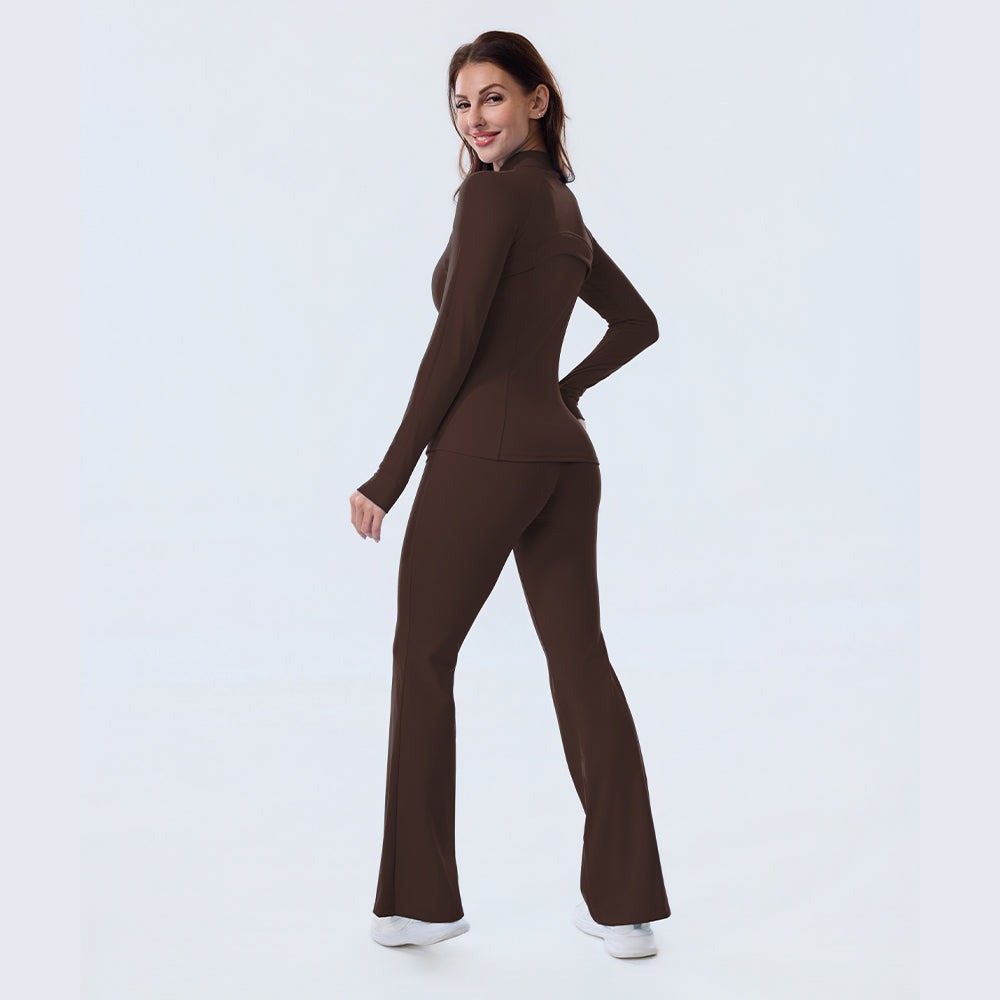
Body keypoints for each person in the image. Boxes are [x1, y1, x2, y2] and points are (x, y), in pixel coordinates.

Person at [350, 31, 672, 960]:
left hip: (483, 455)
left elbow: (455, 344)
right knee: (581, 662)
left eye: (492, 97)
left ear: (537, 99)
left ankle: (420, 902)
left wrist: (389, 474)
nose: (475, 118)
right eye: (461, 103)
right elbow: (638, 323)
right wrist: (562, 394)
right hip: (565, 461)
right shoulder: (560, 206)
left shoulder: (492, 197)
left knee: (423, 656)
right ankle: (625, 910)